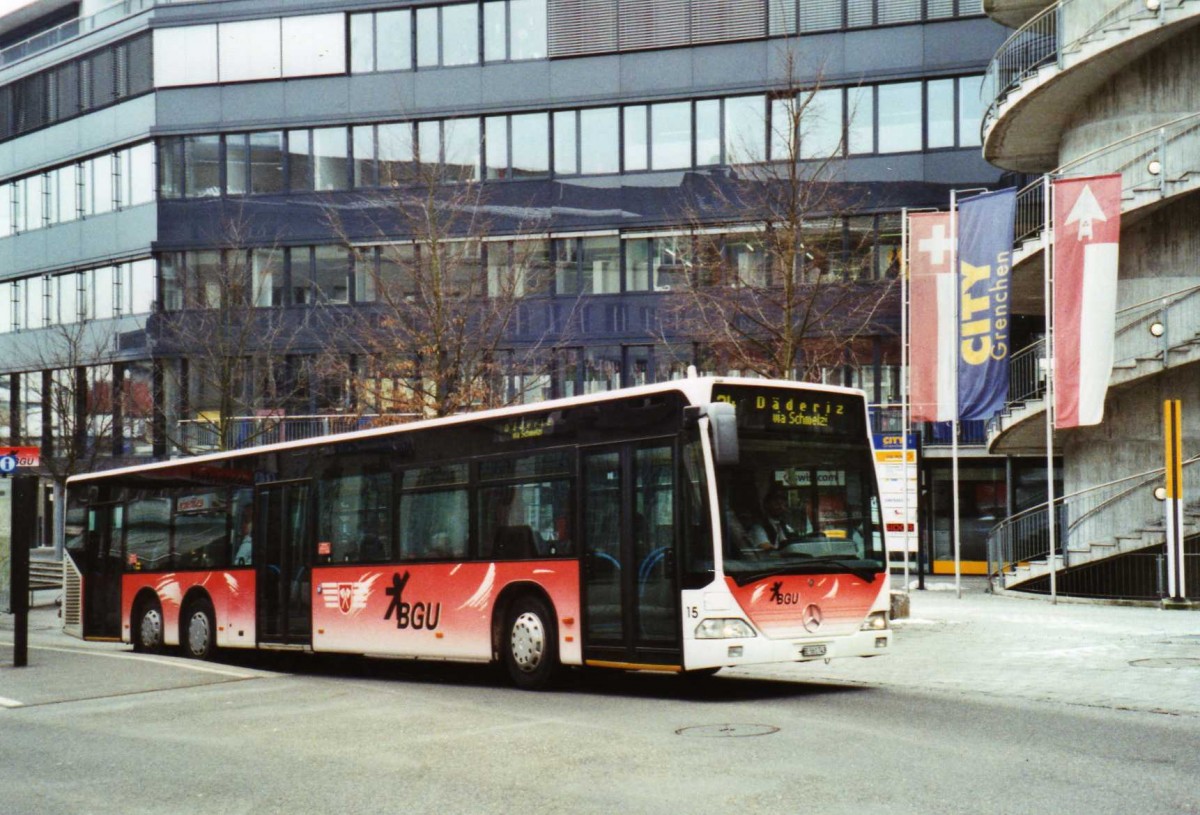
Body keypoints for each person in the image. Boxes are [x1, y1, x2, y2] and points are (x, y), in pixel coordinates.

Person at [749, 485, 807, 551]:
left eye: (782, 504)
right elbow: (767, 548)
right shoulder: (758, 528)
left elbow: (794, 542)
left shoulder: (785, 526)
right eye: (776, 504)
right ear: (767, 505)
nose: (780, 507)